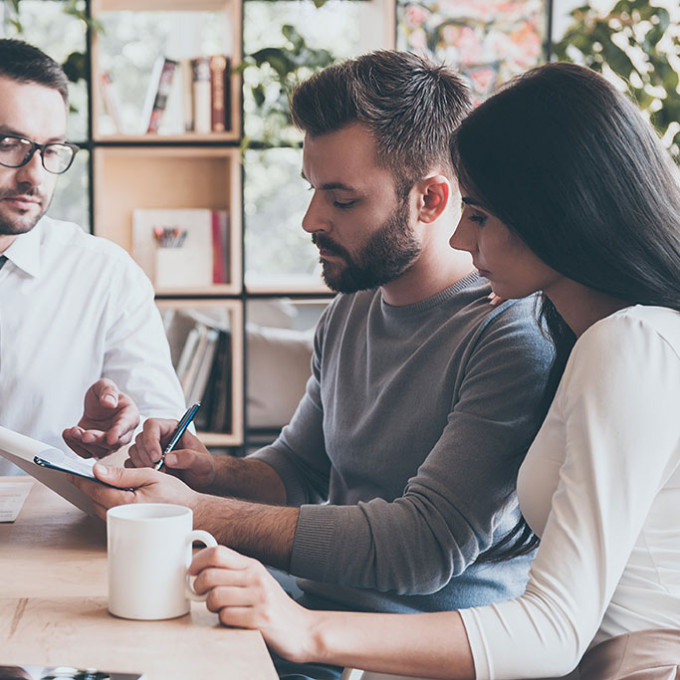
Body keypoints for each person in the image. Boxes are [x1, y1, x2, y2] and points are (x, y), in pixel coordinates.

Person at [178, 62, 680, 679]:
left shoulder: (623, 341)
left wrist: (303, 627)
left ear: (557, 213)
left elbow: (552, 626)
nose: (463, 239)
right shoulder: (590, 336)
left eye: (481, 214)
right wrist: (203, 479)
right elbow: (302, 468)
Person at [72, 51, 555, 679]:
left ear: (431, 200)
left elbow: (423, 548)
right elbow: (301, 468)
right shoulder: (351, 308)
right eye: (311, 190)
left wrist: (194, 510)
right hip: (300, 617)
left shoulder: (510, 335)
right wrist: (211, 473)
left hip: (401, 656)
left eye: (342, 200)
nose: (309, 221)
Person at [0, 38, 185, 474]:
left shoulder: (104, 275)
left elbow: (165, 441)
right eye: (9, 144)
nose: (34, 175)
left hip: (49, 533)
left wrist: (122, 443)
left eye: (49, 150)